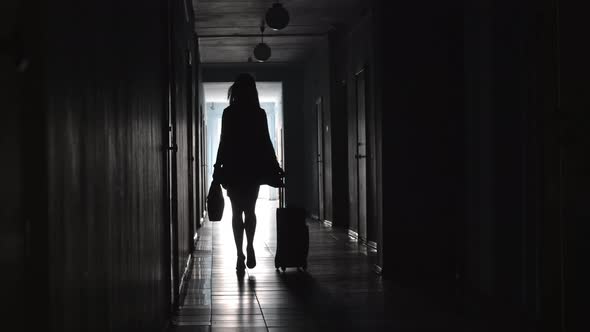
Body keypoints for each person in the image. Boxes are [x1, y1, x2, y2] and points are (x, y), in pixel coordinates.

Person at [212, 73, 284, 272]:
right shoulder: (258, 113)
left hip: (234, 169)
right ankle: (250, 245)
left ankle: (239, 254)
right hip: (252, 169)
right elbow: (266, 142)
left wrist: (218, 169)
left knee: (236, 212)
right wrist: (275, 166)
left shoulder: (229, 113)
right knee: (250, 210)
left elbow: (223, 142)